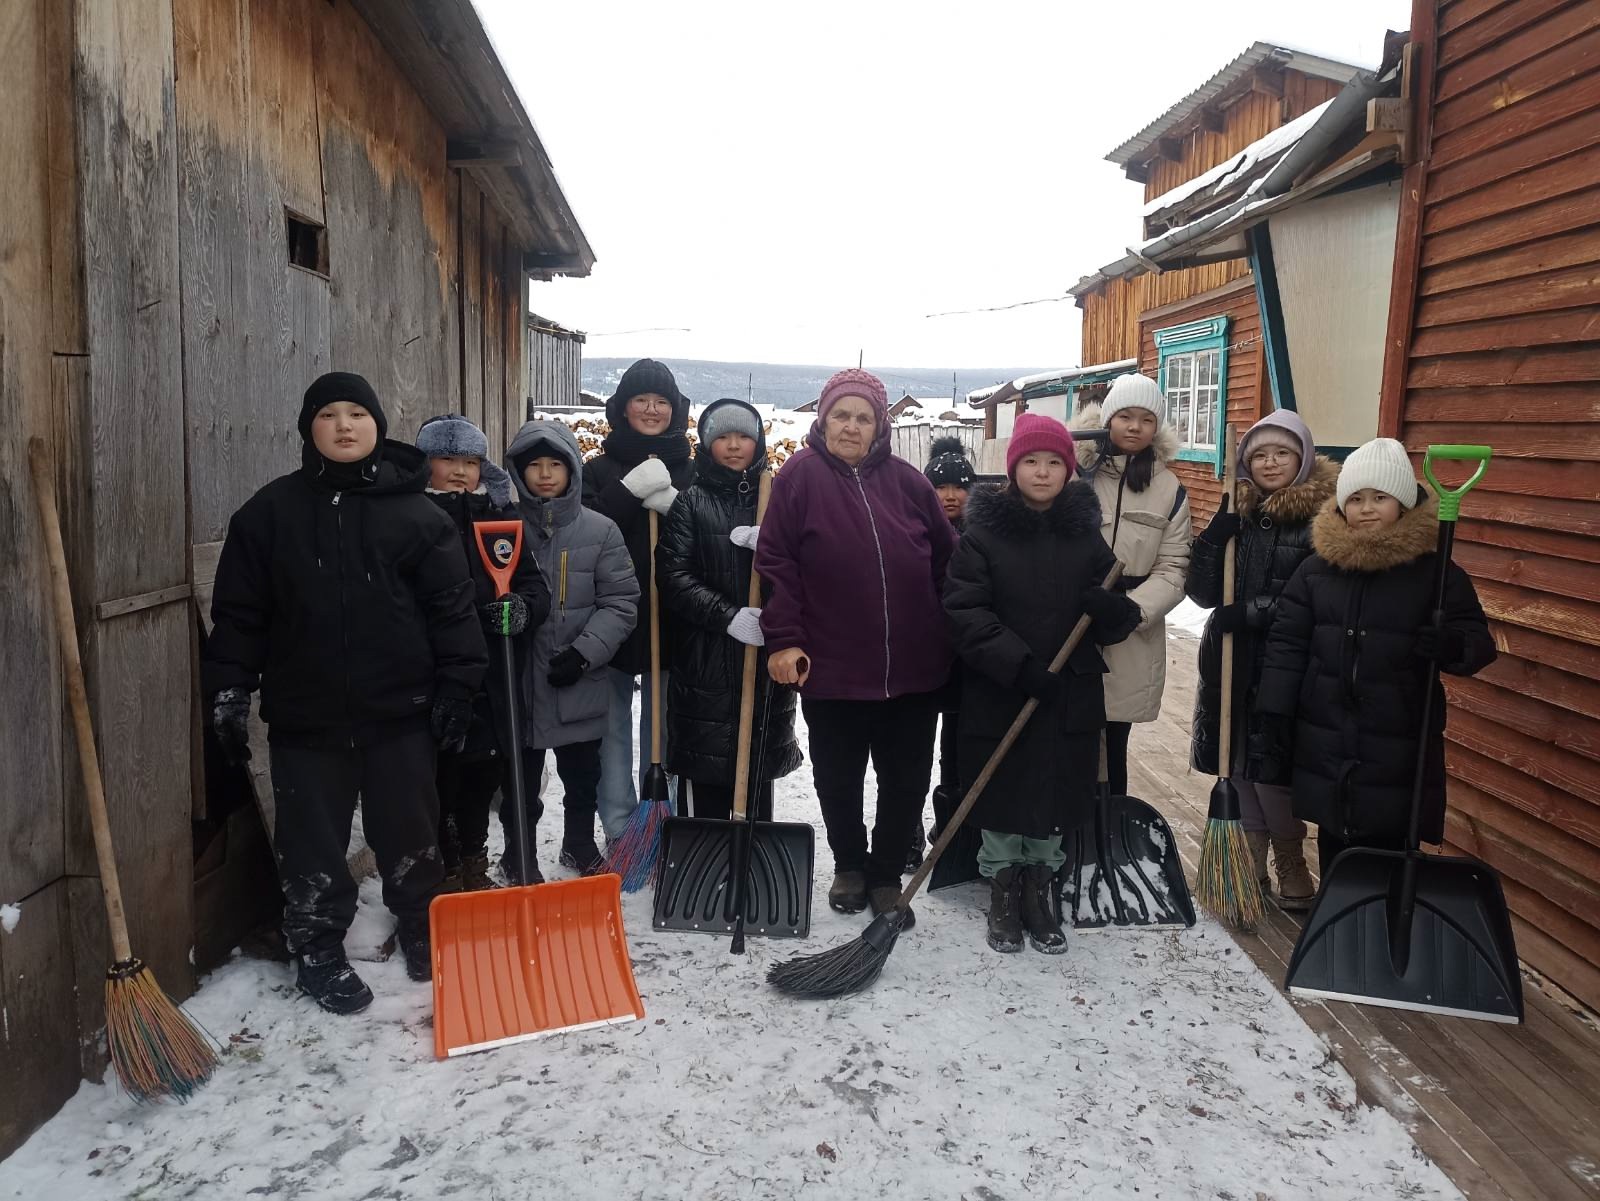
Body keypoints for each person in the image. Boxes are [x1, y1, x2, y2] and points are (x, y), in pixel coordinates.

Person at [204, 372, 488, 1015]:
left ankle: (421, 925)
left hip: (400, 711)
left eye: (356, 413)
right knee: (311, 841)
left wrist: (457, 687)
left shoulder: (416, 514)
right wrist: (228, 687)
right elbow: (241, 615)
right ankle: (317, 946)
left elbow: (451, 609)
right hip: (307, 716)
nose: (343, 425)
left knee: (410, 833)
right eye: (327, 414)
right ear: (309, 428)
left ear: (377, 425)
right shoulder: (268, 513)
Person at [757, 368, 957, 925]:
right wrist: (784, 639)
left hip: (914, 667)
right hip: (833, 665)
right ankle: (849, 864)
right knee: (838, 775)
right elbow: (777, 564)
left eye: (863, 417)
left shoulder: (908, 482)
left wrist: (950, 627)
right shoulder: (798, 478)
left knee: (907, 777)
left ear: (880, 426)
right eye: (841, 414)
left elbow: (948, 559)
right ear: (823, 418)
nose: (851, 426)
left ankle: (887, 874)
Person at [945, 414, 1140, 953]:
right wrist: (1018, 663)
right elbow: (964, 611)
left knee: (1055, 792)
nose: (1043, 472)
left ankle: (1039, 889)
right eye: (1031, 461)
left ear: (1068, 470)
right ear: (1011, 470)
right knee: (1004, 789)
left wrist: (1111, 610)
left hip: (1068, 693)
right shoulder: (981, 537)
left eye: (1054, 462)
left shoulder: (1085, 536)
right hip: (1003, 690)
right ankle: (1004, 892)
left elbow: (1116, 614)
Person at [1257, 438, 1495, 873]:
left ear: (1403, 505)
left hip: (1398, 731)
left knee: (1389, 834)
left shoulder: (1433, 573)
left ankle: (1388, 917)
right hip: (1325, 726)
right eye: (1356, 498)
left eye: (1380, 497)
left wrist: (1452, 645)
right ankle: (1340, 912)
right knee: (1334, 830)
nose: (1367, 508)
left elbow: (1478, 643)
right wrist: (1274, 710)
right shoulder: (1315, 571)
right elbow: (1287, 643)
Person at [1185, 410, 1334, 910]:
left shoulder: (1322, 520)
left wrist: (1248, 612)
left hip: (1283, 659)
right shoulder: (1239, 513)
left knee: (1274, 765)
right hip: (1230, 657)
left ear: (1303, 458)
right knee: (1237, 760)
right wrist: (1213, 538)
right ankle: (1247, 853)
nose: (1270, 462)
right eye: (1260, 454)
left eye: (1282, 453)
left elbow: (1315, 597)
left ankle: (1290, 854)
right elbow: (1202, 592)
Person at [417, 414, 552, 893]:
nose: (459, 471)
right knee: (439, 783)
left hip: (493, 677)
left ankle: (474, 864)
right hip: (432, 676)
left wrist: (521, 609)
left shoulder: (501, 522)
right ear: (425, 463)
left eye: (470, 461)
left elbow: (535, 586)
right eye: (447, 459)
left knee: (480, 776)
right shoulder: (410, 519)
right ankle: (444, 870)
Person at [504, 419, 639, 878]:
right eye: (534, 466)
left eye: (555, 465)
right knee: (519, 781)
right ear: (518, 472)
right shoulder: (502, 529)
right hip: (516, 680)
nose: (544, 474)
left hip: (578, 679)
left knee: (582, 778)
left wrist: (584, 653)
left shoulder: (600, 531)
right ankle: (516, 850)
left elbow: (621, 602)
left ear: (572, 471)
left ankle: (579, 845)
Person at [656, 399, 801, 818]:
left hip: (766, 659)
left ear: (758, 443)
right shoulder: (692, 502)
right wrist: (729, 617)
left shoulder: (778, 501)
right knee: (709, 765)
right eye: (723, 437)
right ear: (706, 444)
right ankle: (711, 857)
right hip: (707, 659)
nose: (734, 446)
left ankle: (756, 856)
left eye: (744, 437)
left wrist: (776, 552)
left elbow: (808, 573)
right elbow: (673, 576)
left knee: (758, 765)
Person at [581, 359, 696, 843]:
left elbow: (704, 538)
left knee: (663, 724)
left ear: (676, 411)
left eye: (662, 402)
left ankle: (659, 816)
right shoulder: (596, 469)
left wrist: (676, 506)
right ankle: (618, 823)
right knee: (611, 726)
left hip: (670, 615)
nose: (652, 409)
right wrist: (629, 492)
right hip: (607, 614)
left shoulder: (692, 471)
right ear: (623, 408)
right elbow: (585, 531)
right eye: (642, 400)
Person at [1071, 374, 1192, 796]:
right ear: (1107, 419)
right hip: (1072, 623)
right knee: (1069, 734)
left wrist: (1132, 611)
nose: (1135, 427)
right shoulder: (1076, 474)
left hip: (1128, 628)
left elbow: (1174, 566)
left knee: (1114, 736)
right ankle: (1065, 830)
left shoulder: (1168, 488)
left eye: (1146, 419)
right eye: (1125, 416)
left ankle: (1108, 824)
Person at [909, 434, 976, 870]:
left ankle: (950, 828)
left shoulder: (983, 535)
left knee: (957, 751)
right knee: (912, 751)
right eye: (941, 487)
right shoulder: (914, 531)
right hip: (920, 656)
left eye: (959, 487)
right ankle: (908, 831)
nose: (950, 496)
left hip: (966, 662)